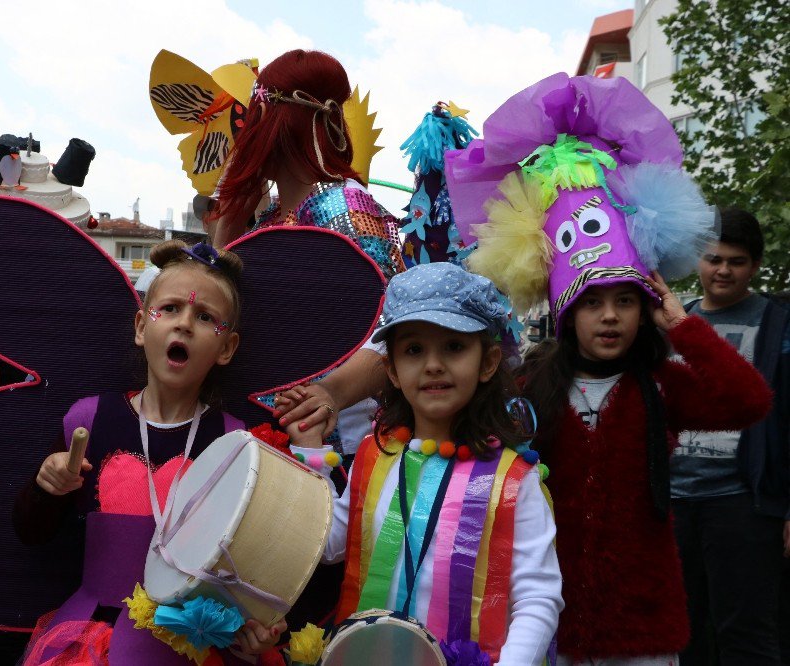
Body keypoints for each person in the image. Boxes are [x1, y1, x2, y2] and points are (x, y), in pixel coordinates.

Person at [451, 73, 773, 664]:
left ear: (644, 308)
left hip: (645, 632)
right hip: (549, 626)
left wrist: (682, 325)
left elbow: (747, 402)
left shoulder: (660, 384)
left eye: (625, 301)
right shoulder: (530, 387)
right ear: (567, 314)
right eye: (592, 303)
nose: (609, 318)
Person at [15, 240, 285, 664]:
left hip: (187, 647)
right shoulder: (90, 420)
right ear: (142, 327)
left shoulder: (236, 445)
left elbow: (246, 569)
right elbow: (32, 532)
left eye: (204, 317)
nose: (183, 325)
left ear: (227, 348)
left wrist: (256, 627)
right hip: (92, 641)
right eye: (171, 309)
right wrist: (47, 487)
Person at [291, 262, 563, 664]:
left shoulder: (513, 481)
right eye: (414, 349)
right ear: (392, 371)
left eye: (454, 346)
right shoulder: (373, 456)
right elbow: (329, 545)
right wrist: (312, 455)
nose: (433, 364)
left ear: (487, 362)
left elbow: (538, 597)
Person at [210, 49, 405, 459]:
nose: (245, 134)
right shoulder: (268, 220)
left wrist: (328, 394)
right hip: (268, 437)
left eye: (252, 117)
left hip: (338, 450)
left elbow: (395, 331)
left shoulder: (347, 207)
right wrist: (227, 230)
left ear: (274, 121)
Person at [671, 208, 790, 665]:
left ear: (755, 266)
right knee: (683, 633)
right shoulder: (674, 322)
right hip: (674, 502)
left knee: (746, 634)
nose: (723, 270)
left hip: (744, 501)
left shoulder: (777, 325)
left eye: (736, 261)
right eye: (713, 258)